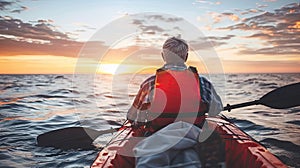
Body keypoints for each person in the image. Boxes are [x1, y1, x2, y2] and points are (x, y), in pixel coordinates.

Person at [127, 37, 223, 130]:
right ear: (186, 57)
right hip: (195, 134)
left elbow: (133, 117)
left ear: (163, 56)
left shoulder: (150, 83)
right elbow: (216, 110)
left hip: (157, 135)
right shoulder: (203, 83)